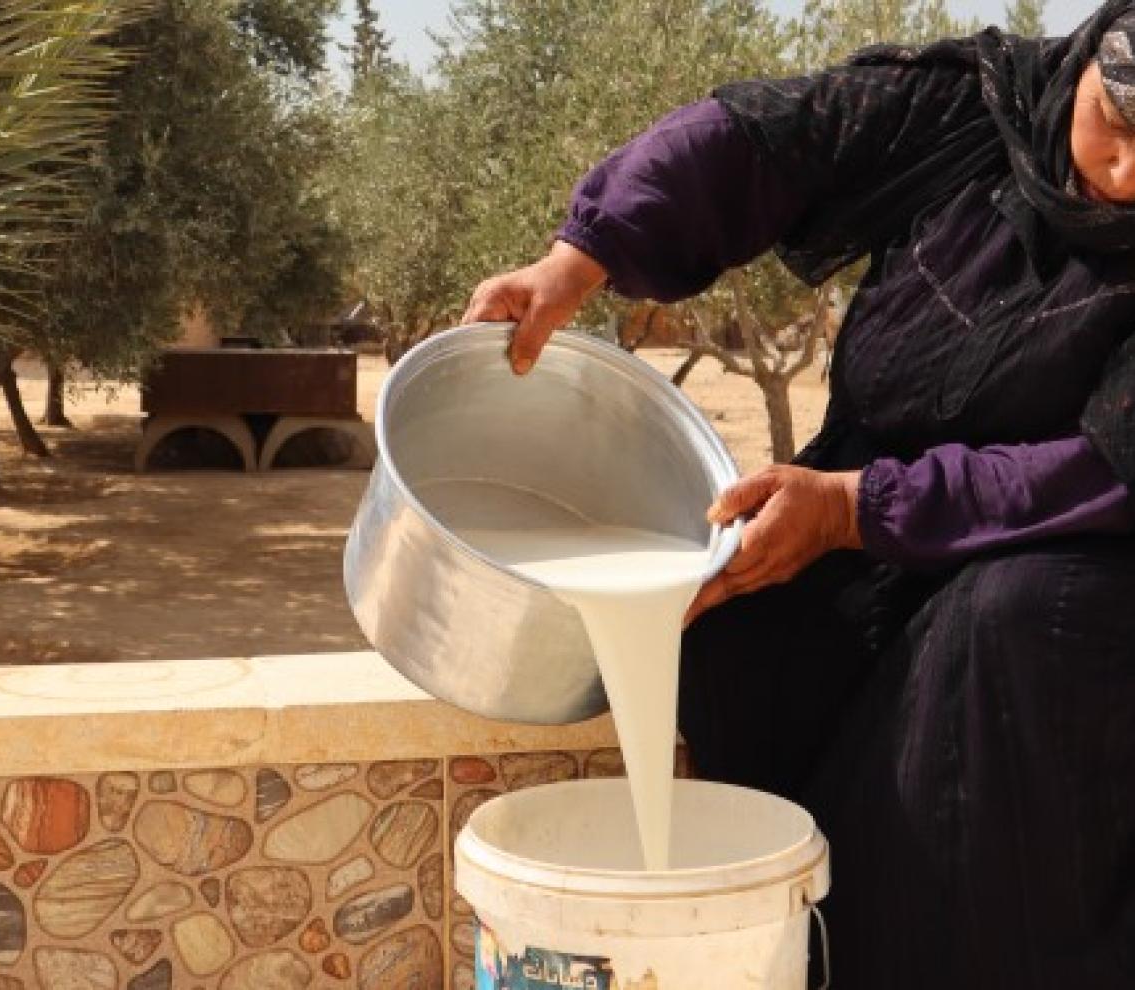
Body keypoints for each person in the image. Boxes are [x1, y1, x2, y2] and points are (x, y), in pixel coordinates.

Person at [462, 2, 1135, 987]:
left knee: (1007, 635)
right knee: (740, 627)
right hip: (867, 498)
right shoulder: (974, 111)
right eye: (1117, 127)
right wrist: (583, 256)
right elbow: (766, 137)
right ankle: (800, 944)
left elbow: (1095, 471)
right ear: (1081, 69)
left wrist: (854, 510)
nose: (1124, 177)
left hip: (1066, 540)